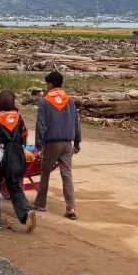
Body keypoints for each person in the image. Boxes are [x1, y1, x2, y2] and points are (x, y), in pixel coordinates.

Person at [0, 89, 36, 233]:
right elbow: (24, 138)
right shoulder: (19, 118)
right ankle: (26, 212)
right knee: (15, 187)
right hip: (15, 159)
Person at [34, 70, 82, 219]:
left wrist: (38, 145)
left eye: (46, 83)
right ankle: (71, 208)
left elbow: (41, 125)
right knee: (67, 174)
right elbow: (76, 122)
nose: (46, 86)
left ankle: (40, 203)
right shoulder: (70, 100)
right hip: (67, 143)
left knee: (45, 172)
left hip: (52, 144)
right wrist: (77, 142)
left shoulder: (45, 101)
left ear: (50, 84)